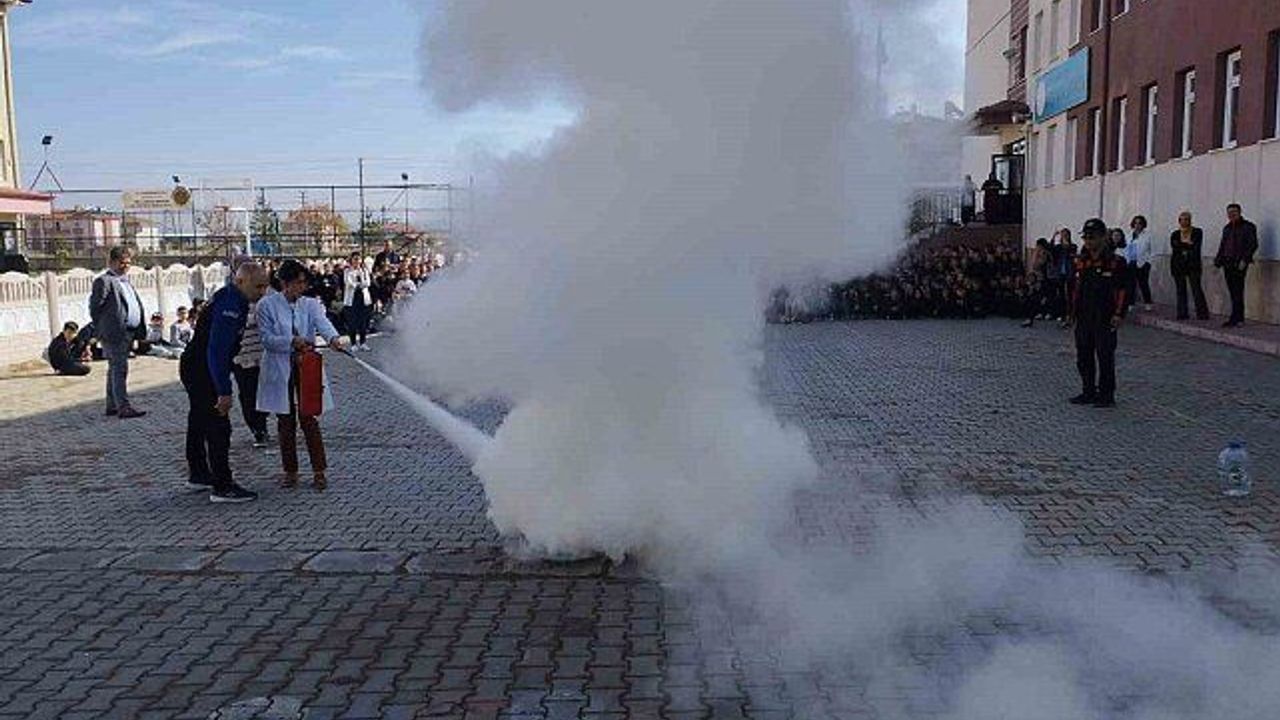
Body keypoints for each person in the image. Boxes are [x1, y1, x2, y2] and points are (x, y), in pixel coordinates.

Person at [179, 262, 270, 503]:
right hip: (203, 369)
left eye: (265, 287)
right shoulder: (230, 304)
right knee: (218, 426)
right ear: (240, 281)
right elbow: (217, 350)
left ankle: (199, 473)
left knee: (199, 420)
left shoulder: (232, 297)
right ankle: (223, 485)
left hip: (196, 365)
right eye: (258, 287)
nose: (262, 292)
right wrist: (224, 390)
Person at [257, 259, 349, 490]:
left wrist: (333, 338)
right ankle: (290, 472)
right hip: (279, 366)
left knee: (309, 417)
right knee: (285, 421)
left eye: (304, 282)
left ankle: (319, 471)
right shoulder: (266, 305)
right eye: (298, 282)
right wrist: (291, 341)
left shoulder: (310, 304)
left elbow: (322, 323)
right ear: (284, 283)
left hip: (306, 365)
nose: (302, 287)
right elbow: (266, 339)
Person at [1069, 218, 1128, 409]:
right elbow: (1075, 289)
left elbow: (1124, 290)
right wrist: (1071, 312)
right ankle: (1088, 391)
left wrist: (1119, 314)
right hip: (1084, 315)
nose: (1088, 241)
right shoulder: (1081, 261)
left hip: (1105, 316)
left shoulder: (1116, 262)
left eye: (1092, 237)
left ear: (1103, 237)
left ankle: (1106, 394)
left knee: (1105, 356)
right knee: (1083, 355)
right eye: (1085, 237)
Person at [89, 245, 147, 419]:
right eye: (122, 263)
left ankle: (112, 405)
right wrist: (104, 328)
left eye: (128, 263)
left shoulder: (125, 281)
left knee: (114, 369)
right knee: (120, 369)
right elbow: (95, 308)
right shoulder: (104, 281)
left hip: (128, 332)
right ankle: (123, 407)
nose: (126, 266)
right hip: (114, 333)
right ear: (112, 262)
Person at [233, 298, 272, 448]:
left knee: (263, 394)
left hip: (262, 358)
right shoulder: (232, 306)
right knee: (247, 395)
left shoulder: (263, 305)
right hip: (241, 360)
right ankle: (257, 429)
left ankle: (261, 425)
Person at [1214, 203, 1258, 328]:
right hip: (1227, 263)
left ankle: (1237, 318)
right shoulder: (1227, 228)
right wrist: (1218, 261)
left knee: (1238, 290)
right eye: (1229, 212)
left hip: (1239, 263)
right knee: (1232, 291)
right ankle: (1235, 317)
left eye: (1234, 212)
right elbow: (1223, 245)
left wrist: (1245, 260)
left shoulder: (1248, 226)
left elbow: (1253, 244)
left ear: (1239, 212)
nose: (1231, 214)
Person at [1169, 211, 1210, 321]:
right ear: (1179, 221)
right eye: (1182, 219)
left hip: (1193, 264)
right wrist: (1187, 245)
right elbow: (1175, 246)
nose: (1185, 222)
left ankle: (1202, 314)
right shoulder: (1175, 234)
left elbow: (1196, 246)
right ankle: (1182, 313)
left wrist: (1182, 246)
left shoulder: (1197, 232)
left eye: (1187, 219)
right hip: (1178, 264)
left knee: (1196, 289)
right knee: (1180, 290)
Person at [342, 251, 373, 351]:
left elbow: (368, 283)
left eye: (358, 259)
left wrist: (359, 284)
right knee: (352, 322)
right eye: (355, 259)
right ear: (351, 260)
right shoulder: (347, 271)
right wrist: (358, 284)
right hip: (352, 299)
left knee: (363, 321)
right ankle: (353, 343)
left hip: (363, 298)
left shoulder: (364, 270)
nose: (356, 261)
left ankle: (363, 342)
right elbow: (348, 282)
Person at [1127, 215, 1154, 310]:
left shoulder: (1147, 236)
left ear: (1143, 225)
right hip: (1131, 262)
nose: (1137, 225)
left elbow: (1152, 250)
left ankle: (1148, 302)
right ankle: (1130, 303)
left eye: (1140, 223)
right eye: (1136, 223)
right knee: (1131, 284)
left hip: (1143, 262)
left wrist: (1148, 262)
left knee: (1143, 283)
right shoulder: (1129, 235)